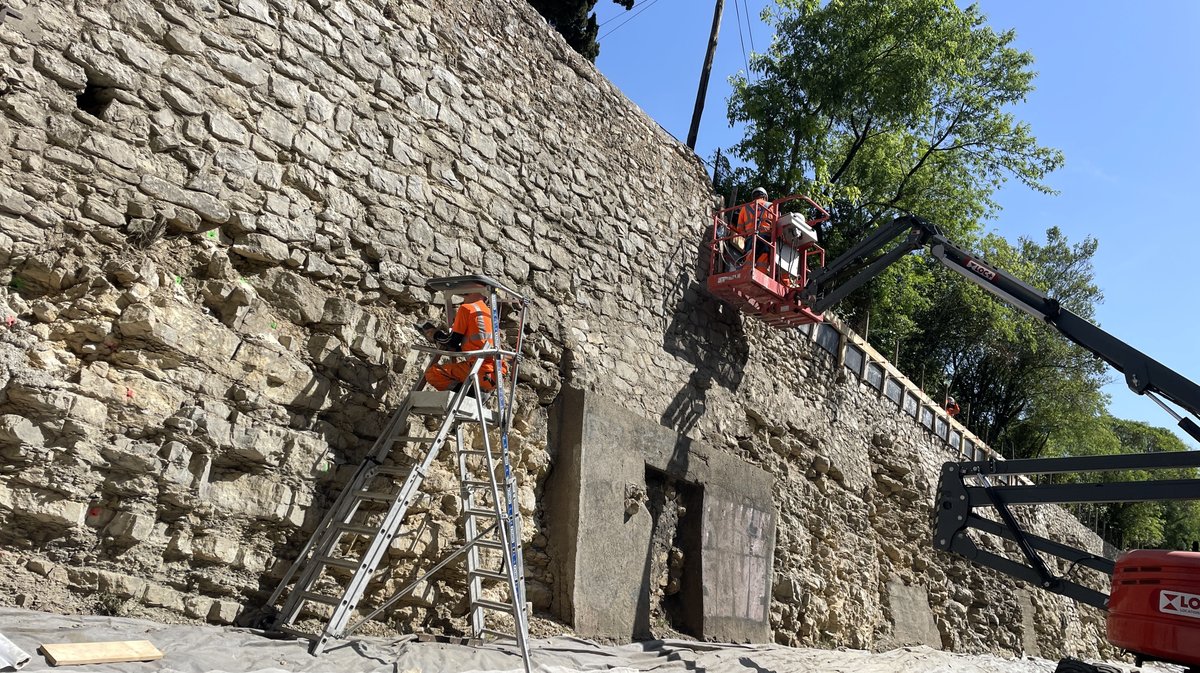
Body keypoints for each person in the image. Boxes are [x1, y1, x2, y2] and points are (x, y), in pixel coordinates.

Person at [422, 292, 501, 392]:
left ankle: (468, 395)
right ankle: (473, 392)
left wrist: (435, 335)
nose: (463, 297)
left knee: (432, 373)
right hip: (495, 373)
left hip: (478, 370)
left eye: (465, 294)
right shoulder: (489, 313)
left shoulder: (467, 308)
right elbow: (477, 344)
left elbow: (451, 341)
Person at [736, 187, 778, 277]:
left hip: (751, 239)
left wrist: (747, 236)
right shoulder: (772, 207)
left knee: (749, 260)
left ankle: (745, 276)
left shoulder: (745, 208)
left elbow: (740, 229)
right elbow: (777, 226)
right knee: (762, 261)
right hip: (766, 240)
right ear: (764, 197)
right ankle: (760, 278)